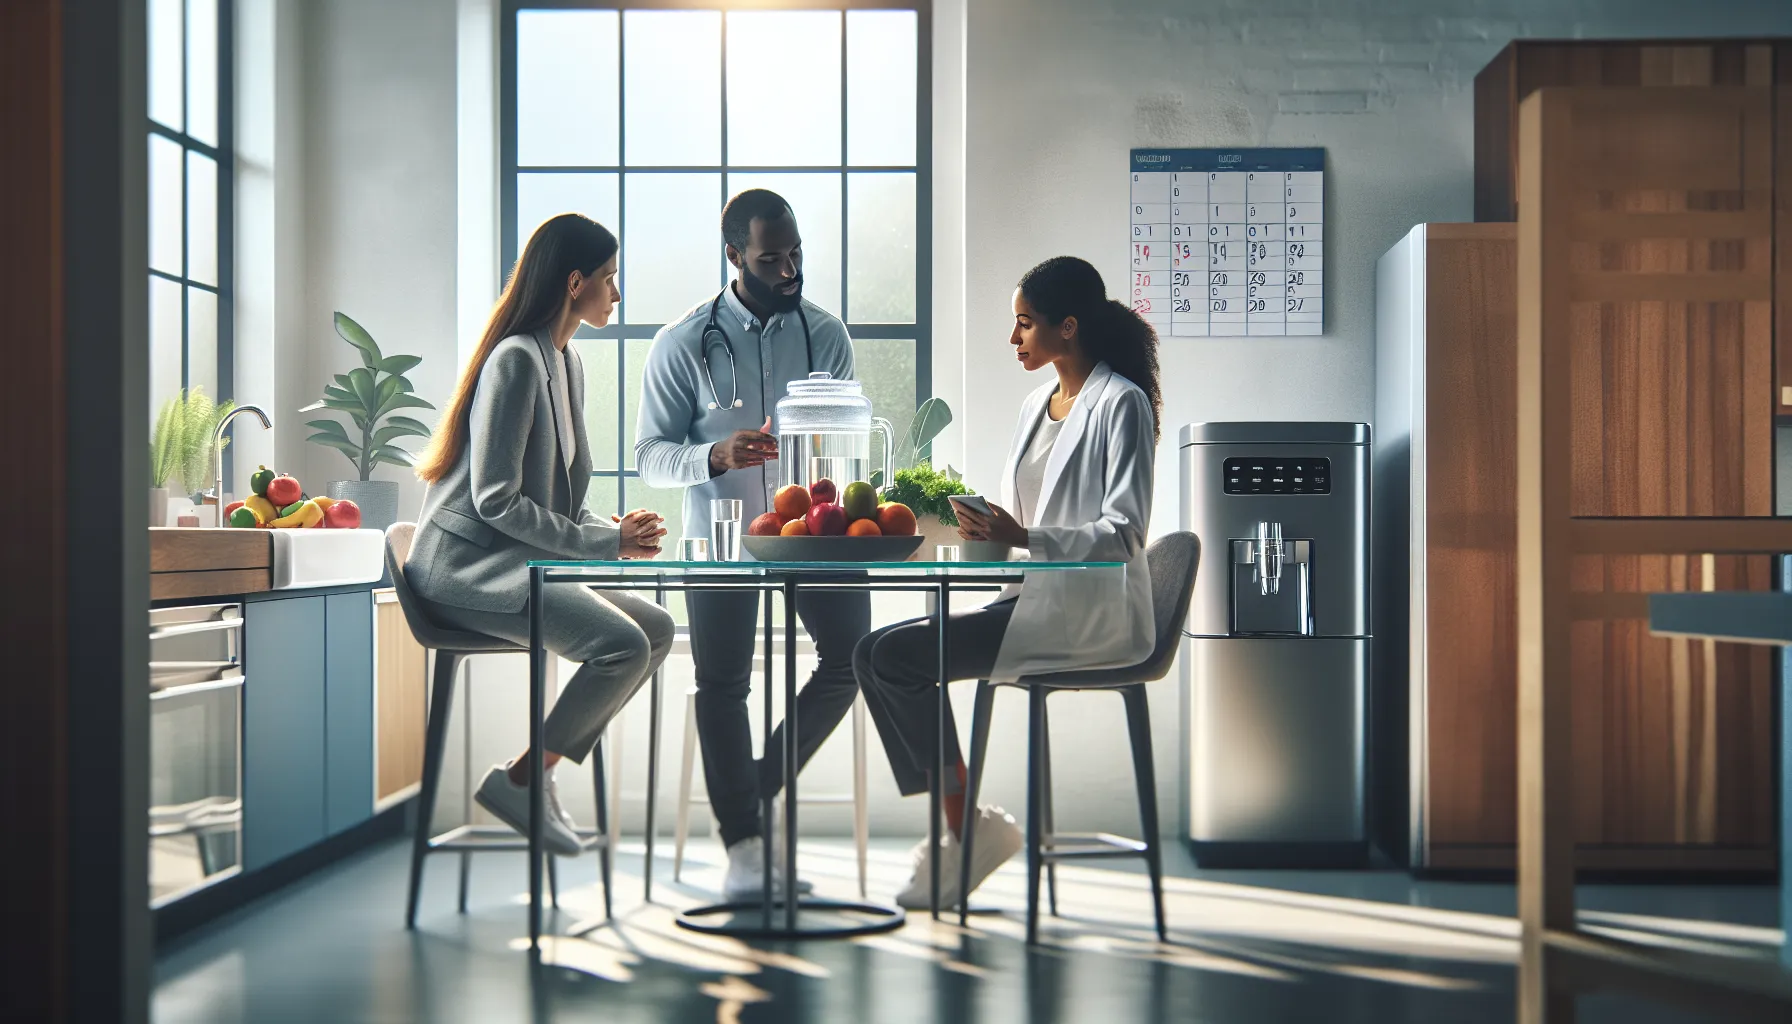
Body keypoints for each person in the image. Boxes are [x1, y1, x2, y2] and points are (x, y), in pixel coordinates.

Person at [853, 255, 1161, 909]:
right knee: (870, 653)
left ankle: (966, 835)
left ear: (1068, 327)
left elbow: (1126, 532)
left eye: (1025, 324)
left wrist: (1023, 540)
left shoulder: (1122, 404)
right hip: (1029, 596)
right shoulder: (1034, 406)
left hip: (1089, 614)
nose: (1013, 338)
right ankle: (967, 831)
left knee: (895, 656)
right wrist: (978, 528)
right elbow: (1023, 521)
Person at [407, 213, 674, 856]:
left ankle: (529, 778)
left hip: (513, 564)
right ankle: (526, 781)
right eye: (609, 279)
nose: (616, 293)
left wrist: (607, 528)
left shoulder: (566, 359)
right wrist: (602, 547)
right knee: (620, 645)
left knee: (657, 630)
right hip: (463, 573)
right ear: (574, 281)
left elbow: (550, 494)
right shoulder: (516, 361)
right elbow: (496, 500)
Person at [635, 189, 870, 901]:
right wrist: (713, 456)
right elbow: (649, 454)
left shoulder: (824, 333)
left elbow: (845, 434)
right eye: (772, 258)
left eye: (797, 253)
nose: (790, 268)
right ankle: (743, 846)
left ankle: (752, 791)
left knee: (853, 659)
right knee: (724, 683)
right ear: (735, 255)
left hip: (813, 534)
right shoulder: (682, 341)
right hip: (723, 539)